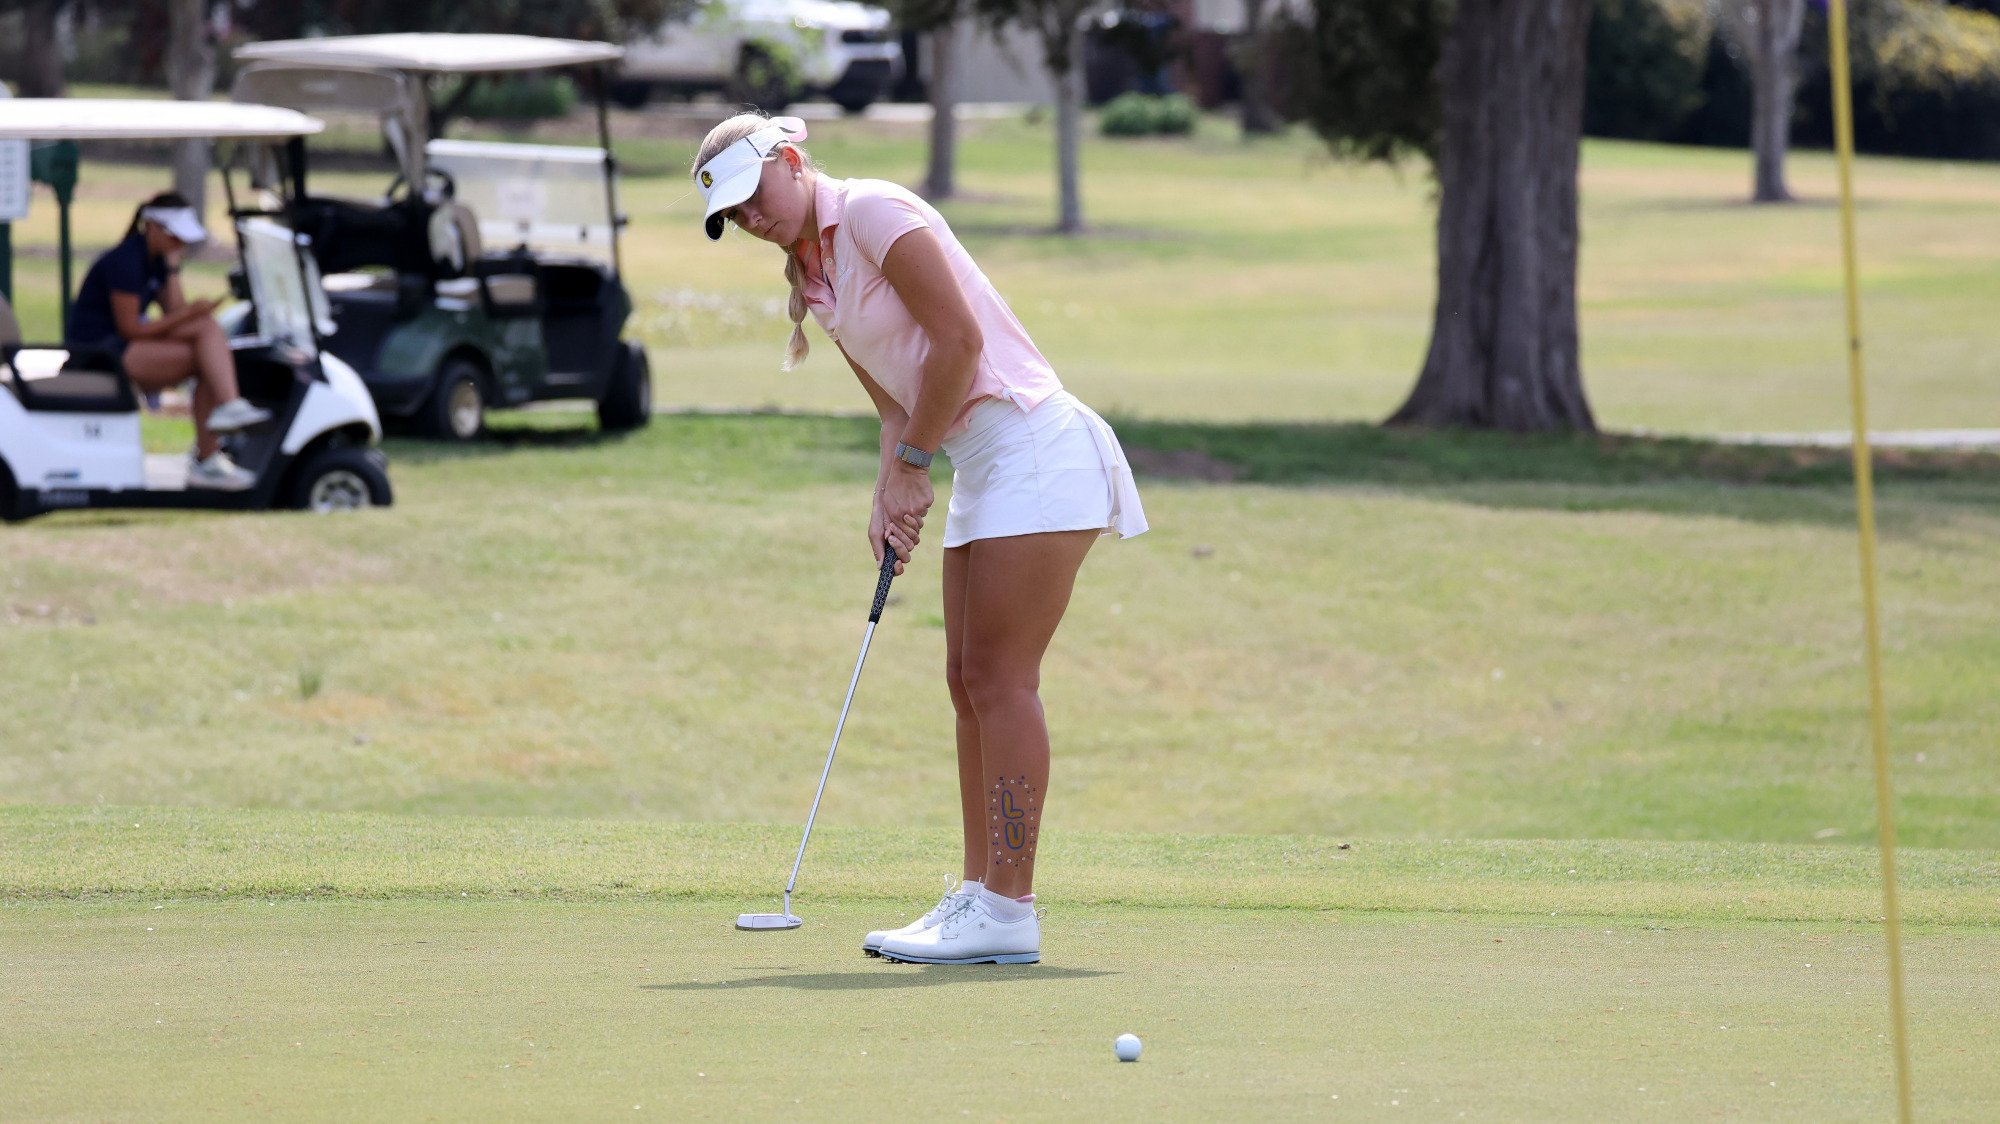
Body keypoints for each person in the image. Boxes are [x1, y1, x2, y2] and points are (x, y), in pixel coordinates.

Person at [692, 115, 1148, 965]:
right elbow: (898, 402)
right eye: (733, 215)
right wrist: (889, 484)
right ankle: (978, 896)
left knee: (1002, 679)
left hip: (1033, 444)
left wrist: (911, 467)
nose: (749, 218)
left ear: (790, 162)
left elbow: (961, 342)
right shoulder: (812, 276)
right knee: (965, 679)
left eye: (754, 195)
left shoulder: (872, 213)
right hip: (981, 461)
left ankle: (1011, 908)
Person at [68, 192, 271, 490]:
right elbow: (131, 330)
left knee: (205, 334)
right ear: (151, 226)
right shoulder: (125, 261)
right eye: (175, 237)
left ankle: (215, 444)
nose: (182, 244)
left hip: (122, 348)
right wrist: (192, 313)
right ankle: (212, 448)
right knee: (205, 350)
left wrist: (174, 270)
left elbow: (174, 313)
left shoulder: (156, 262)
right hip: (97, 356)